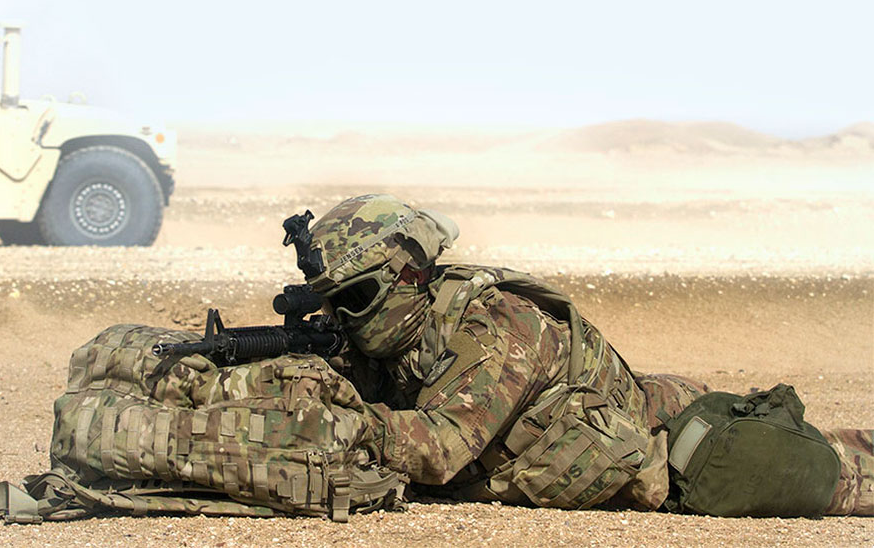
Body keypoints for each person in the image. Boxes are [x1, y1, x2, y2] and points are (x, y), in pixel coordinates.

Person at [301, 193, 872, 516]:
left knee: (814, 470)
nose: (340, 321)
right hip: (608, 410)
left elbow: (442, 448)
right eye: (329, 307)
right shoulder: (407, 332)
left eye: (355, 299)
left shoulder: (497, 325)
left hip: (664, 437)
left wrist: (333, 423)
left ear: (410, 276)